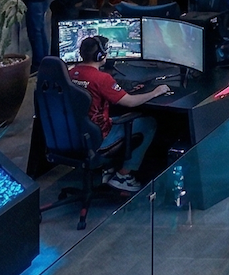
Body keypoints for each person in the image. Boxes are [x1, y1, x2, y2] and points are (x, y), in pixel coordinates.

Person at [67, 34, 171, 192]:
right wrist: (155, 92)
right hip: (98, 139)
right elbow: (130, 102)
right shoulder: (102, 79)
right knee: (148, 123)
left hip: (74, 136)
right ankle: (123, 176)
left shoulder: (69, 74)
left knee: (113, 115)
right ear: (100, 55)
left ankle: (110, 167)